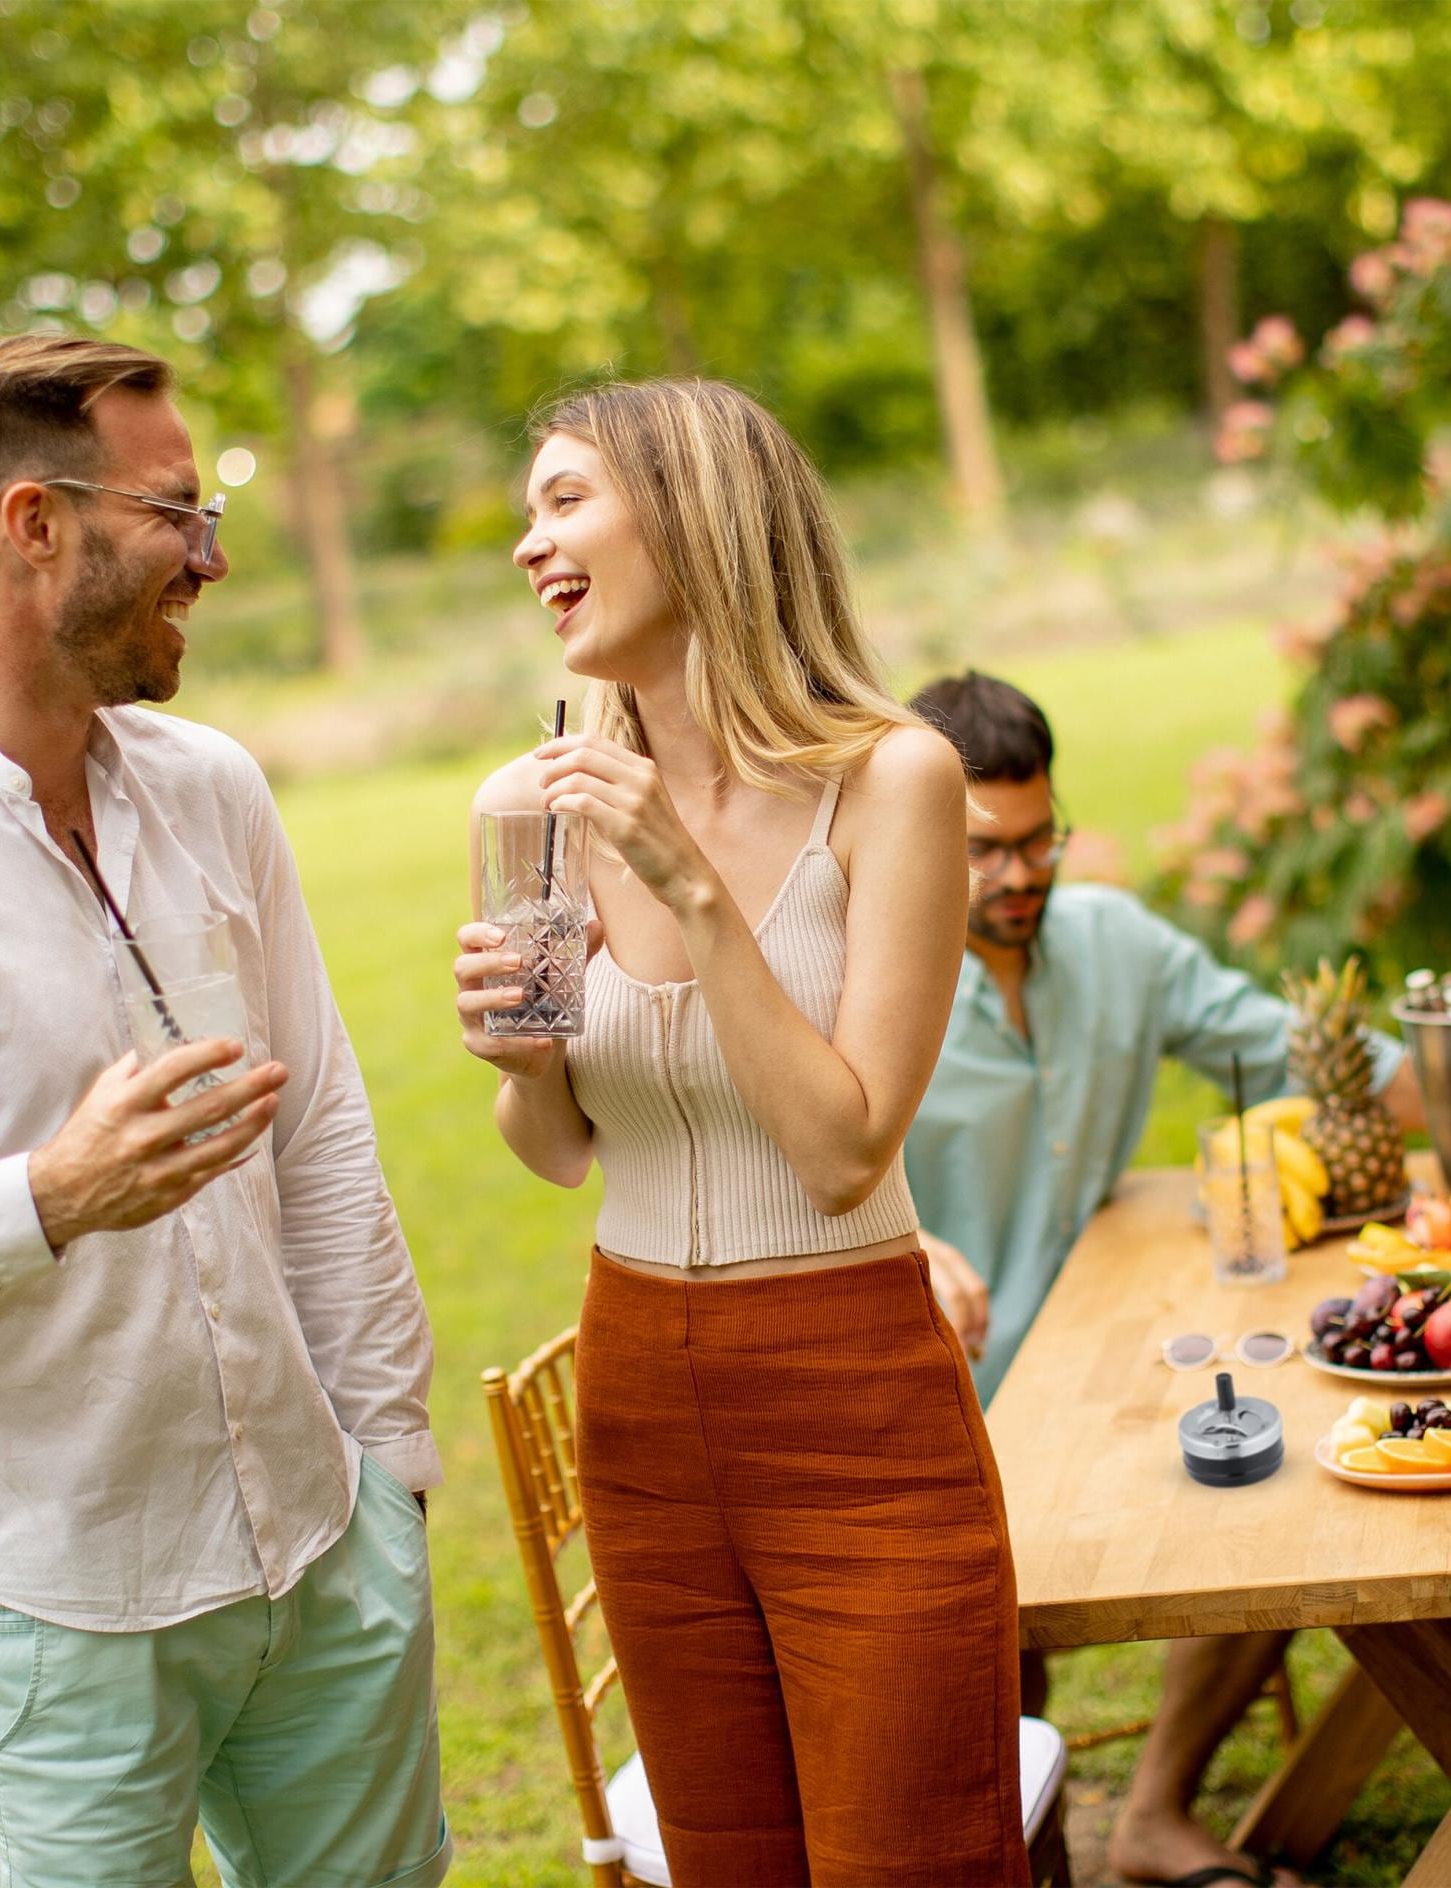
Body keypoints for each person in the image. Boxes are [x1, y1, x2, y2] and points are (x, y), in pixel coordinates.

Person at [899, 670, 1451, 1888]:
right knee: (1000, 1626)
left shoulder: (1113, 944)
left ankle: (1150, 1812)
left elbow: (1311, 1047)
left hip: (1109, 1361)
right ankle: (1026, 1859)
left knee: (1268, 1469)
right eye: (987, 850)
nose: (1021, 875)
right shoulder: (868, 972)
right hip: (946, 1394)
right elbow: (797, 1152)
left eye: (1041, 840)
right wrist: (905, 1241)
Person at [0, 334, 450, 1888]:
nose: (213, 554)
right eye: (176, 512)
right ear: (33, 526)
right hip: (51, 1619)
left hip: (323, 1559)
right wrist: (47, 1198)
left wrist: (383, 1473)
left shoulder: (212, 789)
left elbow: (322, 1126)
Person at [454, 379, 1028, 1886]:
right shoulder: (528, 805)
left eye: (567, 499)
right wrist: (518, 1058)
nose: (532, 544)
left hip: (858, 1403)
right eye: (533, 510)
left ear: (697, 516)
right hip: (642, 1402)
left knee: (913, 1860)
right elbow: (562, 1145)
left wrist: (690, 883)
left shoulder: (893, 778)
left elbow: (843, 1152)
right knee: (725, 1864)